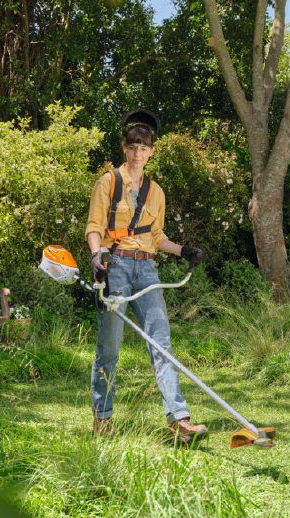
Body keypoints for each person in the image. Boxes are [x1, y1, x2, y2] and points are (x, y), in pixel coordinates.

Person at [85, 109, 207, 442]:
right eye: (133, 146)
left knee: (161, 344)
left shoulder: (156, 191)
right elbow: (94, 228)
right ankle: (103, 418)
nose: (138, 152)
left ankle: (179, 421)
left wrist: (183, 250)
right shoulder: (108, 182)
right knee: (109, 347)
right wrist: (98, 256)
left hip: (147, 269)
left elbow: (157, 237)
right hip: (116, 267)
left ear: (152, 151)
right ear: (124, 148)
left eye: (144, 147)